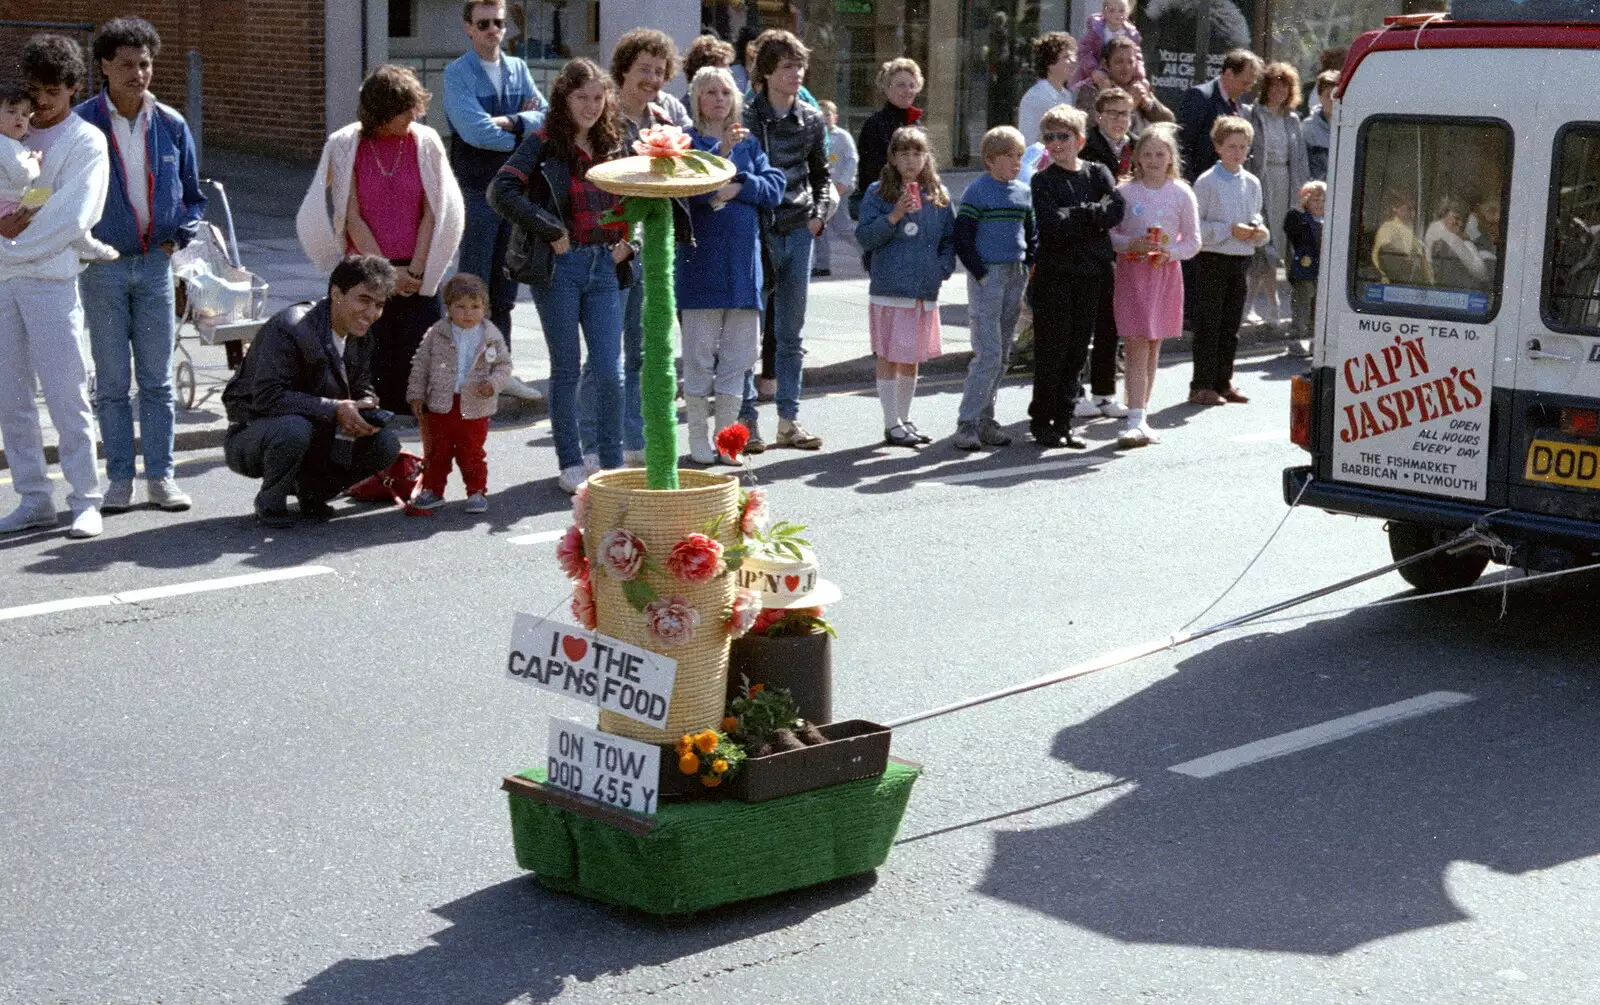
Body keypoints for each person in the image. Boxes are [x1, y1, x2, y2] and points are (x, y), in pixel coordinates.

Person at [74, 18, 206, 516]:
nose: (138, 73)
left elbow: (193, 197)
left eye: (145, 63)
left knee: (157, 380)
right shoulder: (83, 124)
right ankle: (119, 481)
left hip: (155, 266)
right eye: (126, 64)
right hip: (101, 267)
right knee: (111, 383)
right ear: (104, 65)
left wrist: (177, 243)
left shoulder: (170, 124)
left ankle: (162, 477)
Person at [488, 58, 634, 494]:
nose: (590, 106)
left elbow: (641, 197)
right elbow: (501, 190)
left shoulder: (616, 141)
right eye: (580, 97)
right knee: (566, 367)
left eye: (597, 97)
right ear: (563, 99)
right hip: (560, 269)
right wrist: (551, 229)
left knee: (611, 369)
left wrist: (632, 242)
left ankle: (609, 459)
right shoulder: (544, 141)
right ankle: (571, 461)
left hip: (606, 265)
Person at [297, 64, 465, 416]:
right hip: (368, 272)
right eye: (405, 110)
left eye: (415, 108)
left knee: (422, 372)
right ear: (382, 111)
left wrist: (415, 272)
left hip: (416, 274)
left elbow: (435, 209)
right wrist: (387, 275)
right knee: (369, 373)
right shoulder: (346, 145)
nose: (413, 116)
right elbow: (351, 216)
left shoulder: (426, 141)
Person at [0, 35, 108, 538]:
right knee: (10, 395)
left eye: (51, 92)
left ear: (74, 88)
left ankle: (85, 498)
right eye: (33, 90)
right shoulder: (11, 133)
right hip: (4, 282)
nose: (39, 103)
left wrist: (8, 247)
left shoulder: (85, 141)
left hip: (51, 282)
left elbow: (73, 216)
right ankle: (33, 497)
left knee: (67, 392)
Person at [575, 29, 692, 470]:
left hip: (651, 251)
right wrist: (618, 240)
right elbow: (597, 186)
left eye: (660, 72)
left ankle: (634, 440)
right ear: (623, 69)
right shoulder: (604, 119)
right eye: (644, 69)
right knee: (605, 356)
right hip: (611, 250)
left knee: (643, 352)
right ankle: (592, 446)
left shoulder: (663, 120)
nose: (653, 79)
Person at [221, 255, 404, 527]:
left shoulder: (361, 335)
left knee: (386, 444)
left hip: (316, 429)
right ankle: (271, 500)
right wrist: (336, 408)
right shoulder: (291, 327)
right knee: (294, 428)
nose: (372, 313)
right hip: (252, 433)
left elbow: (361, 382)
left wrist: (365, 403)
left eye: (379, 305)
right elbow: (267, 397)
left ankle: (313, 494)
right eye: (364, 300)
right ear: (336, 293)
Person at [677, 66, 787, 465]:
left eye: (726, 91)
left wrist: (740, 185)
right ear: (696, 98)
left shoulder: (750, 144)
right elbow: (692, 191)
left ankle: (727, 442)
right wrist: (721, 154)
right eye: (710, 92)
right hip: (701, 270)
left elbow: (775, 187)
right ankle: (696, 439)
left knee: (738, 363)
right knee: (700, 361)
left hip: (743, 273)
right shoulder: (686, 143)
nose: (719, 99)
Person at [442, 0, 547, 401]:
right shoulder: (457, 74)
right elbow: (474, 132)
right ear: (468, 27)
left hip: (514, 193)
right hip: (476, 189)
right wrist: (522, 131)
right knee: (472, 284)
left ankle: (500, 372)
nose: (492, 30)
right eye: (483, 23)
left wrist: (513, 123)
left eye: (498, 23)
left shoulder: (518, 70)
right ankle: (462, 373)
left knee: (505, 287)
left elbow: (547, 117)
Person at [739, 29, 834, 452]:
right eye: (788, 67)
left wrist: (818, 216)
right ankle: (745, 422)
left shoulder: (811, 118)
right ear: (767, 73)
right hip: (755, 229)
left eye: (800, 65)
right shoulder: (744, 116)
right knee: (745, 331)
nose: (797, 74)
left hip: (798, 228)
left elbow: (822, 176)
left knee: (791, 333)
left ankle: (788, 420)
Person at [1028, 104, 1125, 448]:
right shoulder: (1042, 180)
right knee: (1052, 350)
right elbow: (1052, 226)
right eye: (1049, 137)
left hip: (1091, 275)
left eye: (1063, 136)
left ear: (1079, 140)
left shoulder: (1097, 173)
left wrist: (1078, 214)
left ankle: (1064, 420)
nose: (1055, 143)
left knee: (1076, 351)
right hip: (1056, 276)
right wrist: (1091, 214)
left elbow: (1116, 210)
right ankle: (1042, 420)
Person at [855, 127, 956, 448]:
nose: (911, 160)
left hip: (923, 289)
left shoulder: (938, 194)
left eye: (917, 153)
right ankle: (890, 422)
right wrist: (895, 214)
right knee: (889, 354)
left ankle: (904, 417)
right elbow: (866, 237)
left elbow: (949, 238)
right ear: (893, 158)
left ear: (926, 157)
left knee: (911, 357)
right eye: (904, 154)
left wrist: (942, 267)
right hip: (890, 287)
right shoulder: (877, 193)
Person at [1108, 124, 1200, 447]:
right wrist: (1131, 243)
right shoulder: (1124, 192)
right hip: (1132, 274)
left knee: (1153, 346)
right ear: (1136, 158)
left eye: (1160, 154)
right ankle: (1134, 419)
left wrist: (1169, 251)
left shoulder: (1181, 193)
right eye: (1146, 154)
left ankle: (1141, 415)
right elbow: (1111, 235)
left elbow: (1193, 242)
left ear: (1170, 157)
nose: (1153, 159)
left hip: (1164, 275)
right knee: (1135, 343)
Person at [952, 125, 1035, 451]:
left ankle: (987, 419)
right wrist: (980, 273)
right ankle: (967, 423)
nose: (1017, 162)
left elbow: (1031, 231)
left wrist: (1029, 264)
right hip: (989, 275)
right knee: (988, 353)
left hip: (1016, 273)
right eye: (1009, 156)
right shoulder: (978, 192)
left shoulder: (1022, 192)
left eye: (1019, 156)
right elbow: (963, 236)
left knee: (1003, 353)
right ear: (990, 160)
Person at [406, 272, 511, 513]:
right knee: (436, 451)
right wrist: (416, 394)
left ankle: (476, 492)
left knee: (472, 452)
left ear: (485, 307)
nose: (468, 313)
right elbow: (421, 363)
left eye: (475, 306)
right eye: (460, 307)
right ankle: (433, 490)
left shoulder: (490, 335)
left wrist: (493, 384)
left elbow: (504, 366)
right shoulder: (437, 332)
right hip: (441, 403)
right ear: (448, 308)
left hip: (475, 406)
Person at [1190, 115, 1269, 407]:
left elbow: (1256, 214)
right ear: (1218, 147)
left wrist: (1256, 230)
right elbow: (1197, 225)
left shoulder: (1252, 182)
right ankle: (1201, 384)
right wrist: (1227, 230)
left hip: (1240, 258)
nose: (1237, 152)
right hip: (1213, 258)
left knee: (1230, 325)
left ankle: (1224, 381)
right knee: (1209, 323)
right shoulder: (1206, 182)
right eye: (1231, 146)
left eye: (1242, 146)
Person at [0, 83, 117, 262]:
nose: (20, 118)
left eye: (24, 114)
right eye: (11, 112)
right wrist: (34, 164)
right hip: (9, 207)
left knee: (46, 197)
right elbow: (20, 175)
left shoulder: (13, 142)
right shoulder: (4, 143)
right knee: (49, 202)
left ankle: (81, 239)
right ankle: (82, 241)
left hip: (15, 202)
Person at [1244, 61, 1308, 328]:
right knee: (1263, 245)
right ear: (1266, 87)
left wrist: (1300, 194)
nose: (1279, 91)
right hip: (1261, 181)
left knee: (1276, 246)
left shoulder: (1292, 120)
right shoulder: (1253, 114)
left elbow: (1300, 159)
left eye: (1285, 86)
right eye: (1275, 85)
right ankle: (1262, 305)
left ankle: (1269, 305)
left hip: (1285, 182)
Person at [853, 57, 924, 220]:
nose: (908, 90)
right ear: (887, 88)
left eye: (912, 85)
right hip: (884, 203)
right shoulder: (875, 124)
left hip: (913, 200)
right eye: (901, 85)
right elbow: (872, 171)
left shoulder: (916, 123)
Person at [1177, 48, 1261, 183]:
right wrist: (1191, 186)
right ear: (1229, 74)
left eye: (1251, 85)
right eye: (1245, 83)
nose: (1247, 89)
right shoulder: (1200, 97)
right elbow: (1183, 146)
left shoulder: (1238, 104)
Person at [1075, 36, 1173, 134]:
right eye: (1119, 62)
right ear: (1105, 64)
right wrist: (1130, 105)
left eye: (1130, 62)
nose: (1126, 68)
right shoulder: (1091, 89)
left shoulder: (1137, 87)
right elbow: (1086, 126)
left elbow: (1169, 121)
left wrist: (1149, 106)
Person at [815, 98, 857, 277]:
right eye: (820, 115)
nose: (824, 118)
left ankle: (868, 249)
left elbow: (852, 159)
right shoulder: (815, 136)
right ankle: (822, 264)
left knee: (842, 227)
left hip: (839, 187)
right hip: (821, 189)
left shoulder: (842, 136)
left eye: (828, 115)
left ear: (836, 117)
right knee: (820, 226)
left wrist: (843, 182)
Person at [1283, 179, 1325, 354]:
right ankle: (1296, 339)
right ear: (1305, 201)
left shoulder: (1328, 220)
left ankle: (1317, 341)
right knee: (1302, 304)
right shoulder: (1299, 218)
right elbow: (1289, 226)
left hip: (1322, 270)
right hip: (1304, 270)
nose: (1319, 204)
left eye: (1323, 200)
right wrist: (1299, 208)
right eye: (1315, 200)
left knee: (1319, 306)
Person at [1017, 32, 1076, 147]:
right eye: (1066, 57)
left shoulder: (1066, 95)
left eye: (1073, 56)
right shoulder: (1035, 97)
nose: (1073, 60)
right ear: (1050, 64)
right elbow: (1028, 142)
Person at [1072, 0, 1146, 90]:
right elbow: (1084, 51)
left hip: (1121, 77)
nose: (1117, 14)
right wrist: (1093, 70)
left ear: (1127, 13)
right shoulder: (1096, 30)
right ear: (1103, 12)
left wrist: (1139, 78)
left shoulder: (1132, 34)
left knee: (1140, 89)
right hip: (1097, 75)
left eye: (1121, 11)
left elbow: (1137, 58)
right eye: (1112, 10)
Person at [1425, 194, 1492, 290]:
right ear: (1444, 215)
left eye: (1463, 220)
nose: (1460, 224)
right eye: (1456, 218)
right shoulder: (1451, 238)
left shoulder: (1434, 228)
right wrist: (1467, 241)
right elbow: (1481, 273)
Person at [1370, 193, 1430, 284]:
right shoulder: (1388, 228)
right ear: (1395, 208)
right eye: (1409, 209)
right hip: (1394, 280)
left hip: (1412, 280)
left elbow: (1421, 256)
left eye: (1414, 209)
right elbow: (1383, 255)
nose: (1413, 213)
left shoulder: (1411, 230)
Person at [1302, 70, 1337, 182]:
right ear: (1320, 97)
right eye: (1328, 95)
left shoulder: (1351, 126)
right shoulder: (1308, 127)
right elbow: (1302, 166)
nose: (1332, 101)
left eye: (1336, 96)